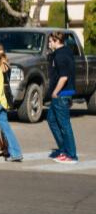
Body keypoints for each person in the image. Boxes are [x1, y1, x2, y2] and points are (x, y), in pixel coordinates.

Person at [47, 31, 78, 164]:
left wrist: (55, 92)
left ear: (56, 41)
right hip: (63, 94)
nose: (48, 44)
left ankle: (71, 154)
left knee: (64, 125)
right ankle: (63, 149)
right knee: (51, 119)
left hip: (61, 95)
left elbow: (64, 77)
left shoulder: (60, 56)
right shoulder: (66, 51)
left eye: (50, 41)